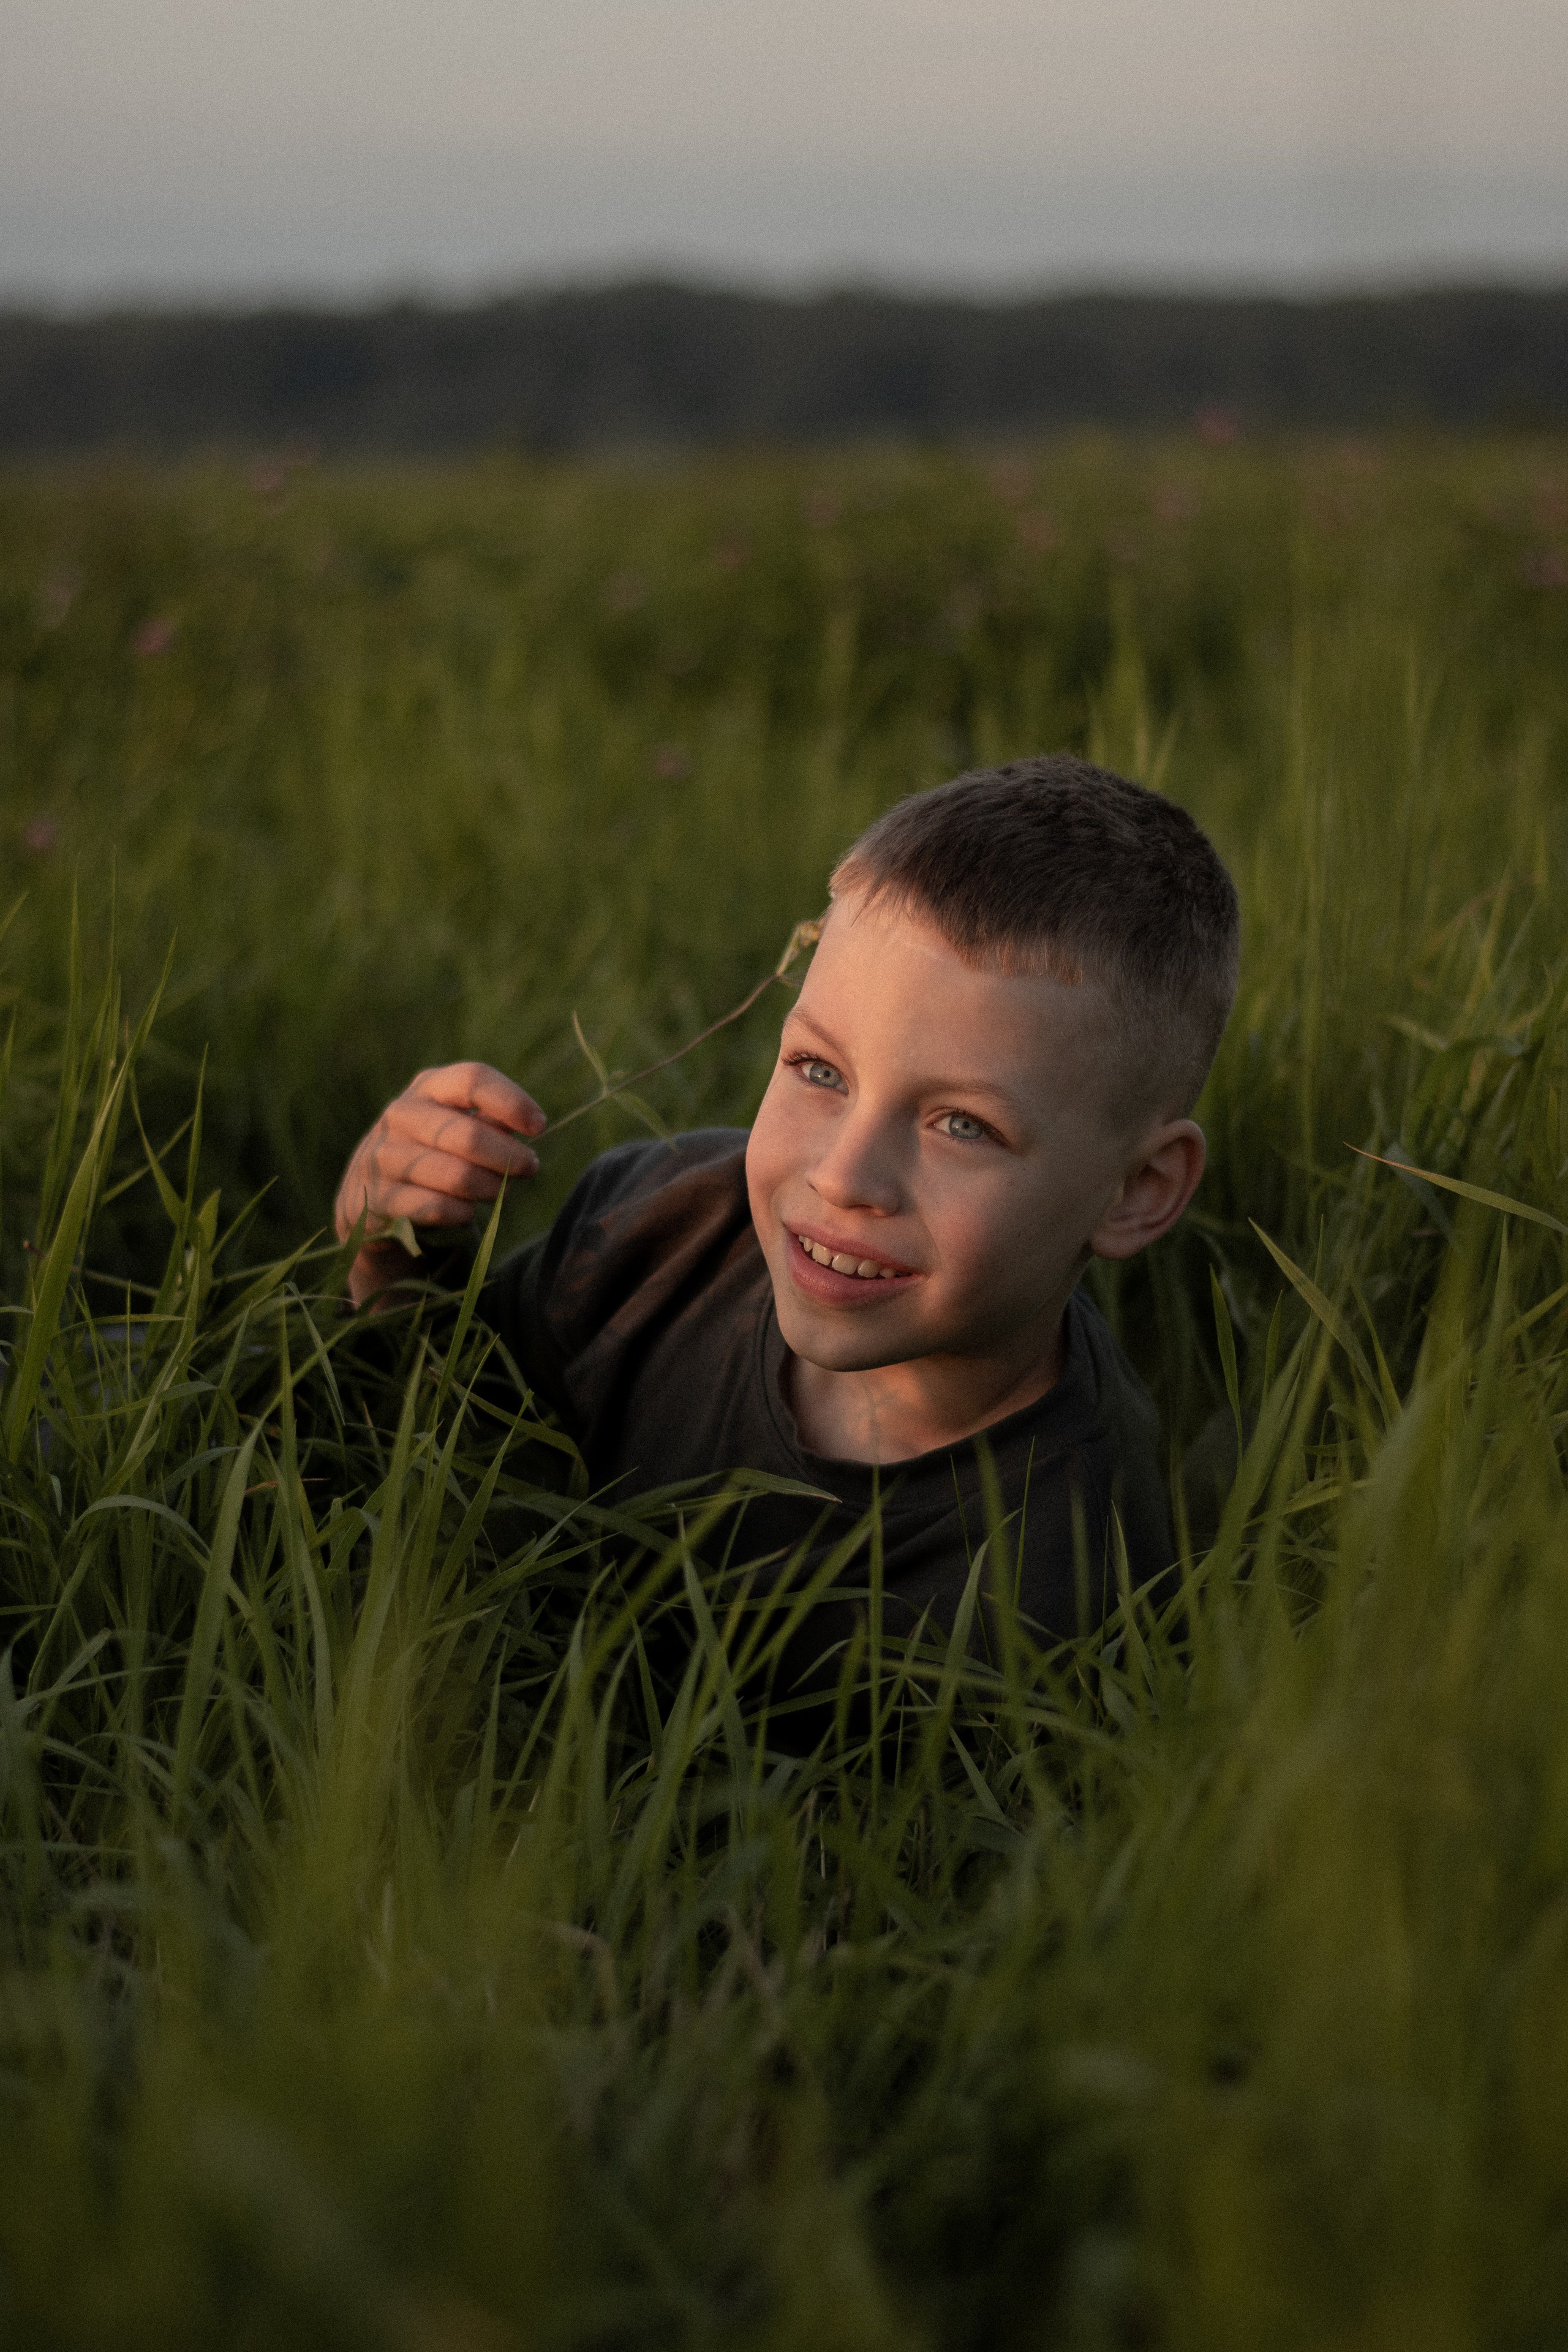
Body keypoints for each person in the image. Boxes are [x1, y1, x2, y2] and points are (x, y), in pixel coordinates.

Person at [334, 755, 1239, 1695]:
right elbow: (426, 1438)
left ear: (1138, 1190)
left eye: (962, 1126)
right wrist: (389, 1255)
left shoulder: (1066, 1577)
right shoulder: (660, 1222)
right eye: (819, 1071)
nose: (843, 1176)